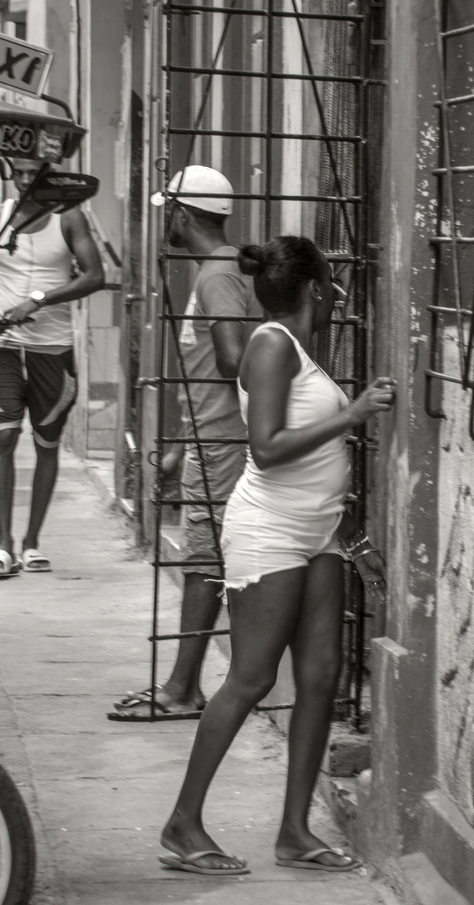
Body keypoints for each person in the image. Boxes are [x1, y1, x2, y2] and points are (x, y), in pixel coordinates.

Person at [159, 235, 396, 877]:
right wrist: (352, 413)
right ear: (316, 289)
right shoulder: (270, 344)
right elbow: (265, 448)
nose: (338, 296)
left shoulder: (298, 352)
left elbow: (318, 464)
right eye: (332, 285)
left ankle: (295, 832)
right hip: (269, 532)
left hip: (317, 533)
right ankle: (184, 824)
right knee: (252, 677)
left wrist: (352, 536)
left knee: (320, 676)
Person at [113, 165, 258, 719]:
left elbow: (229, 357)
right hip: (212, 435)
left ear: (182, 213)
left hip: (222, 440)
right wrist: (179, 443)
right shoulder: (225, 268)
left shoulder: (216, 275)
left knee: (203, 564)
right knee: (210, 561)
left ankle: (181, 689)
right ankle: (184, 685)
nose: (165, 222)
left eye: (168, 211)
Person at [0, 157, 104, 579]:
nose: (27, 181)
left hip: (52, 347)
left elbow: (95, 276)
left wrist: (40, 299)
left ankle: (32, 542)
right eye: (20, 173)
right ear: (11, 173)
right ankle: (4, 544)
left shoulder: (69, 219)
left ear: (50, 174)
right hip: (4, 345)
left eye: (35, 174)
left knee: (47, 443)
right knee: (4, 435)